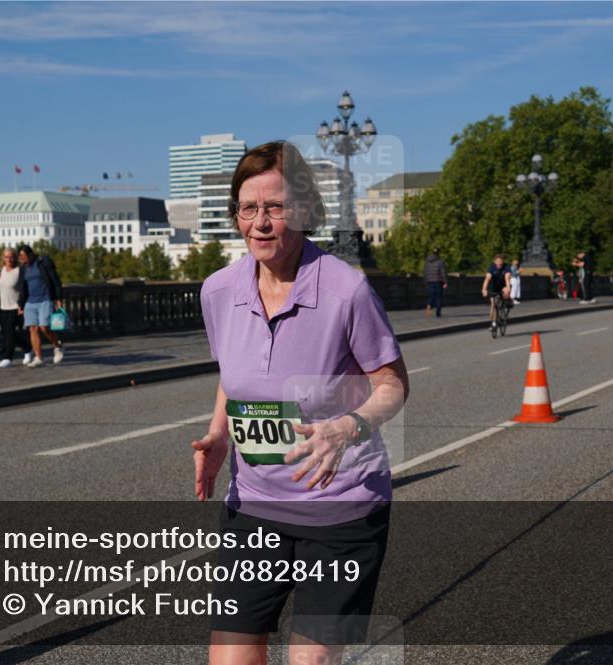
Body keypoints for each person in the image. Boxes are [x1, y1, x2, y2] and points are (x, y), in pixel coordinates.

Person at [191, 141, 409, 665]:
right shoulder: (218, 291)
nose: (261, 223)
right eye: (249, 208)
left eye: (276, 207)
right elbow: (234, 373)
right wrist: (220, 434)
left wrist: (346, 428)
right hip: (254, 505)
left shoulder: (346, 290)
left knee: (309, 662)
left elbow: (394, 384)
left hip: (340, 508)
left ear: (306, 211)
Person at [17, 244, 65, 368]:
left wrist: (58, 298)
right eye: (20, 257)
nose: (23, 259)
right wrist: (20, 304)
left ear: (31, 254)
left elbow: (55, 280)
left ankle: (57, 346)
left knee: (44, 327)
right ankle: (39, 357)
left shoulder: (43, 262)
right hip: (30, 302)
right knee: (33, 329)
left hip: (45, 299)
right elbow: (22, 287)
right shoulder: (23, 268)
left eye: (24, 256)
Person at [0, 248, 33, 368]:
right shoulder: (1, 270)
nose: (9, 259)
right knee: (8, 332)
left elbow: (24, 288)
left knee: (9, 332)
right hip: (3, 306)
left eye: (11, 257)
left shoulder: (20, 270)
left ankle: (8, 358)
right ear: (3, 258)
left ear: (15, 257)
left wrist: (22, 305)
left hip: (16, 306)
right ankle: (28, 349)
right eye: (6, 257)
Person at [482, 254, 511, 333]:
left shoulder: (506, 267)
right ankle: (493, 323)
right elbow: (487, 279)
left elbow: (507, 278)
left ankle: (506, 304)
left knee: (506, 292)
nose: (499, 265)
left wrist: (508, 288)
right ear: (494, 262)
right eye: (498, 263)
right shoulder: (492, 267)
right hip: (494, 287)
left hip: (503, 286)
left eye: (501, 263)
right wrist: (484, 289)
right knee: (493, 305)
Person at [424, 248, 448, 318]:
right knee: (439, 297)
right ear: (438, 253)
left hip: (430, 281)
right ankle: (438, 313)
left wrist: (425, 282)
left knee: (431, 296)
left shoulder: (427, 262)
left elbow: (425, 273)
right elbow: (443, 272)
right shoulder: (440, 262)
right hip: (438, 281)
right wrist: (445, 281)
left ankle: (429, 305)